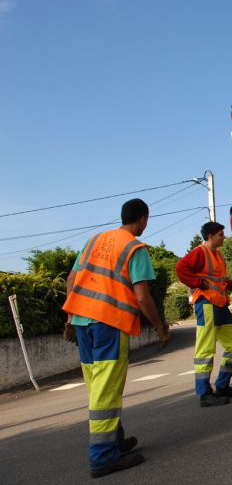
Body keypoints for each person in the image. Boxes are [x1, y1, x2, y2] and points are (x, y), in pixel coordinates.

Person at [62, 198, 171, 479]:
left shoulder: (94, 240)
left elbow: (71, 281)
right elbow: (142, 296)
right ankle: (102, 457)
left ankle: (113, 441)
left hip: (82, 322)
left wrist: (70, 318)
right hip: (108, 323)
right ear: (144, 219)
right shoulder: (135, 248)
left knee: (98, 386)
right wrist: (160, 327)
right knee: (107, 389)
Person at [176, 221, 232, 407]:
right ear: (211, 236)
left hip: (220, 304)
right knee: (205, 350)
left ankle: (222, 385)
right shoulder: (200, 252)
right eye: (221, 234)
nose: (224, 237)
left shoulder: (218, 254)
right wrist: (198, 282)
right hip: (206, 304)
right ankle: (204, 394)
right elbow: (181, 268)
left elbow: (219, 281)